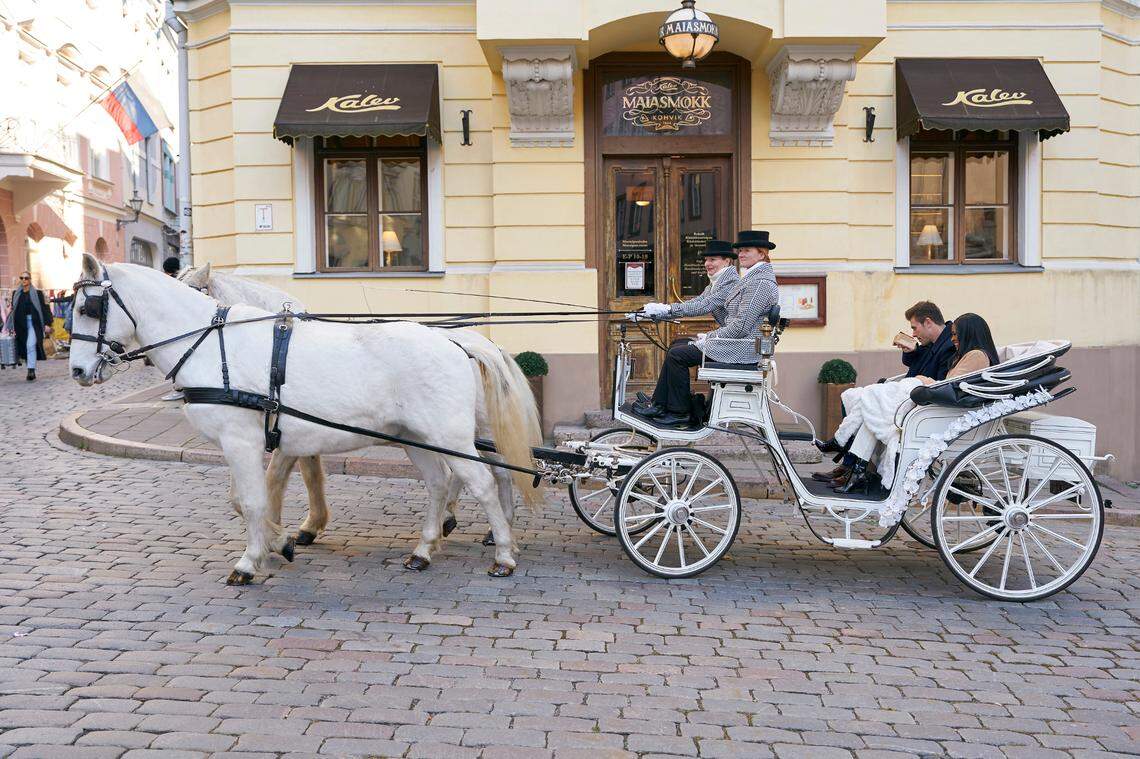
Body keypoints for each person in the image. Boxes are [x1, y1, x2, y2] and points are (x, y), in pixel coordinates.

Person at [815, 313, 1000, 494]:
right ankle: (856, 469)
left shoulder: (975, 355)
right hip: (933, 402)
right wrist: (916, 359)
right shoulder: (965, 353)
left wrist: (923, 380)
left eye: (956, 334)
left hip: (939, 408)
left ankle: (844, 448)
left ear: (968, 333)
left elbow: (950, 385)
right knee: (873, 410)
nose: (953, 339)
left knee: (871, 401)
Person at [632, 230, 779, 428]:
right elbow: (702, 302)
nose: (742, 254)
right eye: (740, 250)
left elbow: (741, 326)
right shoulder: (750, 279)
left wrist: (710, 337)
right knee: (677, 346)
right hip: (736, 344)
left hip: (742, 350)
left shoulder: (759, 283)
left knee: (678, 355)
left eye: (747, 250)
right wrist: (660, 312)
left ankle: (679, 412)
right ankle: (661, 404)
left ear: (762, 254)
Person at [814, 300, 956, 486]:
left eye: (915, 328)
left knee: (867, 401)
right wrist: (912, 350)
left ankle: (847, 458)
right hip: (909, 394)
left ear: (928, 322)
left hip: (918, 403)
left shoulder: (947, 345)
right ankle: (849, 464)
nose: (913, 333)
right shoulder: (934, 342)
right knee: (851, 396)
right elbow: (917, 366)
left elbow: (935, 382)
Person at [4, 272, 53, 381]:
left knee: (30, 345)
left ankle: (31, 370)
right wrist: (10, 324)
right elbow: (13, 310)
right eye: (22, 278)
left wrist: (47, 324)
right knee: (25, 346)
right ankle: (30, 366)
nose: (24, 280)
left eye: (26, 278)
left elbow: (45, 309)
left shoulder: (38, 293)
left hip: (34, 323)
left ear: (30, 279)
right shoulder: (16, 294)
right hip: (20, 325)